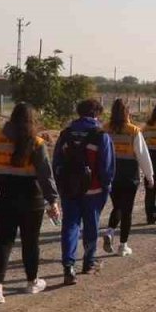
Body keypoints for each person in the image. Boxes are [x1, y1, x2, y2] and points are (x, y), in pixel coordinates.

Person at [0, 103, 60, 301]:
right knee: (30, 242)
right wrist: (52, 200)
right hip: (31, 199)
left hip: (3, 197)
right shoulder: (37, 143)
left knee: (2, 241)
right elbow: (45, 175)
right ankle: (32, 282)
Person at [55, 99, 113, 285]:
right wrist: (106, 187)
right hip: (93, 190)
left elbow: (56, 163)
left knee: (70, 226)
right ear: (96, 114)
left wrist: (62, 186)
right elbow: (107, 167)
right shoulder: (101, 135)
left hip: (69, 190)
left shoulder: (66, 134)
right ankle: (88, 262)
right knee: (91, 225)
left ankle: (68, 266)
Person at [102, 99, 154, 258]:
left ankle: (110, 231)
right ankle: (123, 245)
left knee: (117, 205)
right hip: (129, 174)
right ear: (127, 112)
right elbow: (142, 155)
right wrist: (149, 176)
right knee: (127, 210)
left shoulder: (105, 129)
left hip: (111, 173)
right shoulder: (133, 131)